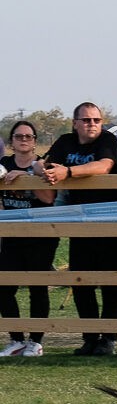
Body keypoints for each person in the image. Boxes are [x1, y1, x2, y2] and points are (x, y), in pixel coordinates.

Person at [39, 103, 117, 356]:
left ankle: (109, 339)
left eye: (96, 120)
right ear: (75, 123)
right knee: (81, 281)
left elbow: (104, 166)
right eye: (87, 120)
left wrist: (67, 171)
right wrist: (43, 170)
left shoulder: (107, 139)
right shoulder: (65, 142)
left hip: (112, 222)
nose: (92, 124)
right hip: (80, 222)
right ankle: (90, 337)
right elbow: (46, 164)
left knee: (113, 282)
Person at [0, 122, 57, 357]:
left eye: (28, 136)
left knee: (37, 287)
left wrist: (27, 176)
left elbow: (48, 198)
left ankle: (35, 342)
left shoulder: (42, 165)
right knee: (4, 287)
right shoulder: (3, 164)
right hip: (12, 235)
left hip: (40, 236)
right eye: (19, 136)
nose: (24, 139)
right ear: (11, 142)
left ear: (34, 141)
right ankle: (16, 340)